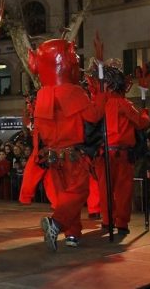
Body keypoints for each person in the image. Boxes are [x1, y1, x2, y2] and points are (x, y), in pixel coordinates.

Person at [29, 38, 106, 250]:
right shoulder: (73, 92)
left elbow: (39, 132)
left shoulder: (41, 95)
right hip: (73, 155)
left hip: (52, 157)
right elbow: (94, 115)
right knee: (78, 192)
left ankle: (72, 234)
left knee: (64, 196)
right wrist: (100, 94)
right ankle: (56, 223)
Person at [87, 59, 150, 235]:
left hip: (104, 153)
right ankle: (121, 222)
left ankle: (108, 221)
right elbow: (142, 123)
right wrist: (145, 111)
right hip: (122, 154)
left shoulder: (99, 103)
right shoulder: (124, 104)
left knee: (105, 189)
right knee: (123, 190)